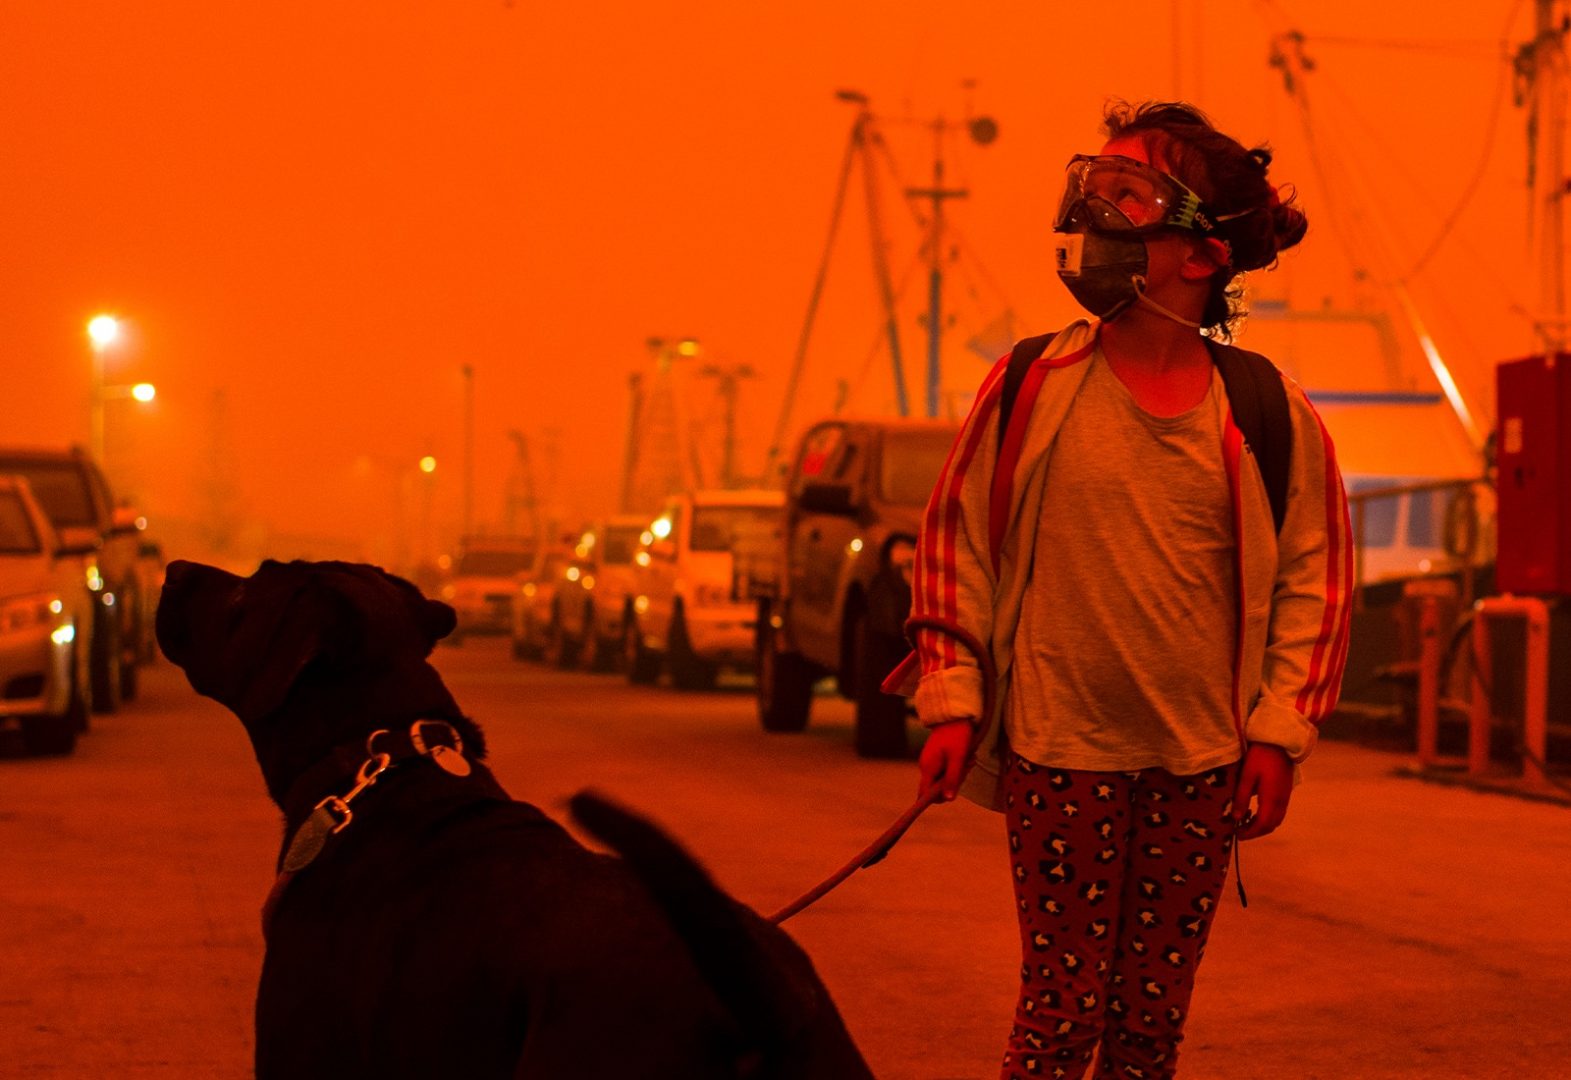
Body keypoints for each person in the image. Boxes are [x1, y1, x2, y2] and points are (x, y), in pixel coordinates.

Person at [886, 101, 1353, 1079]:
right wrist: (950, 698)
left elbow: (1316, 581)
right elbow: (953, 546)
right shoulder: (1030, 384)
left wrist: (1277, 734)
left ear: (1201, 256)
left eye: (1125, 193)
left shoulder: (1266, 413)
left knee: (1147, 1023)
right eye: (1090, 187)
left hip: (1199, 765)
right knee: (1057, 1010)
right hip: (1059, 754)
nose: (1092, 212)